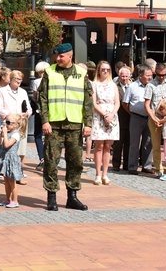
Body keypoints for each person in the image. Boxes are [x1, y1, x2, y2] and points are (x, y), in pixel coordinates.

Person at [38, 42, 93, 211]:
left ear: (70, 56)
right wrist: (45, 120)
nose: (58, 58)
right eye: (57, 55)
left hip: (75, 124)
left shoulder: (81, 73)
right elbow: (42, 98)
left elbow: (88, 100)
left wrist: (88, 123)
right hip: (54, 124)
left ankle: (72, 197)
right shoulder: (50, 72)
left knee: (75, 162)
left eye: (62, 56)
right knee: (51, 161)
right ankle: (52, 197)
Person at [0, 70, 31, 181]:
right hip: (8, 123)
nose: (18, 82)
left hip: (21, 123)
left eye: (20, 80)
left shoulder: (23, 92)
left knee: (21, 150)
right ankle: (4, 171)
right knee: (6, 149)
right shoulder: (2, 91)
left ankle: (18, 173)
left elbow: (29, 108)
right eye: (16, 80)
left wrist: (27, 113)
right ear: (10, 79)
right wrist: (11, 116)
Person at [90, 60, 120, 186]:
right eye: (103, 69)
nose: (105, 72)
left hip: (111, 114)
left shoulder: (113, 85)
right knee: (99, 146)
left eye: (108, 69)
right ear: (99, 70)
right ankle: (97, 173)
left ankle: (105, 174)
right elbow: (94, 102)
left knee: (108, 146)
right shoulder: (95, 84)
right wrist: (104, 114)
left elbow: (117, 102)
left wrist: (112, 114)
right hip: (99, 114)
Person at [124, 64, 153, 175]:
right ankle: (132, 166)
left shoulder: (152, 86)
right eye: (148, 75)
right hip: (136, 117)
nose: (150, 78)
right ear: (140, 75)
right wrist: (132, 113)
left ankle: (147, 165)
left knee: (148, 143)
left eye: (151, 75)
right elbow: (125, 103)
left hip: (149, 117)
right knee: (134, 143)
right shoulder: (132, 87)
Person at [0, 113, 25, 208]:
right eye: (6, 122)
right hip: (5, 158)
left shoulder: (16, 134)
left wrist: (5, 133)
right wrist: (0, 133)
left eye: (8, 123)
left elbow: (6, 145)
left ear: (16, 124)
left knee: (12, 181)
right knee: (6, 180)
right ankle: (8, 199)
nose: (7, 125)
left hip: (12, 159)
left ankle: (15, 200)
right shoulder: (8, 133)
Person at [112, 66, 132, 172]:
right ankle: (116, 164)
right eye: (122, 76)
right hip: (119, 118)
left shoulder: (133, 86)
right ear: (119, 76)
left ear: (129, 76)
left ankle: (127, 164)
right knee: (118, 143)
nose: (124, 78)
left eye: (126, 76)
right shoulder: (114, 87)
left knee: (129, 142)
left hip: (131, 118)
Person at [31, 61, 49, 170]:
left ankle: (42, 158)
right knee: (48, 135)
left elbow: (34, 97)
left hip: (39, 111)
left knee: (38, 135)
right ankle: (48, 158)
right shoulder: (52, 81)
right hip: (50, 111)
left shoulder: (37, 82)